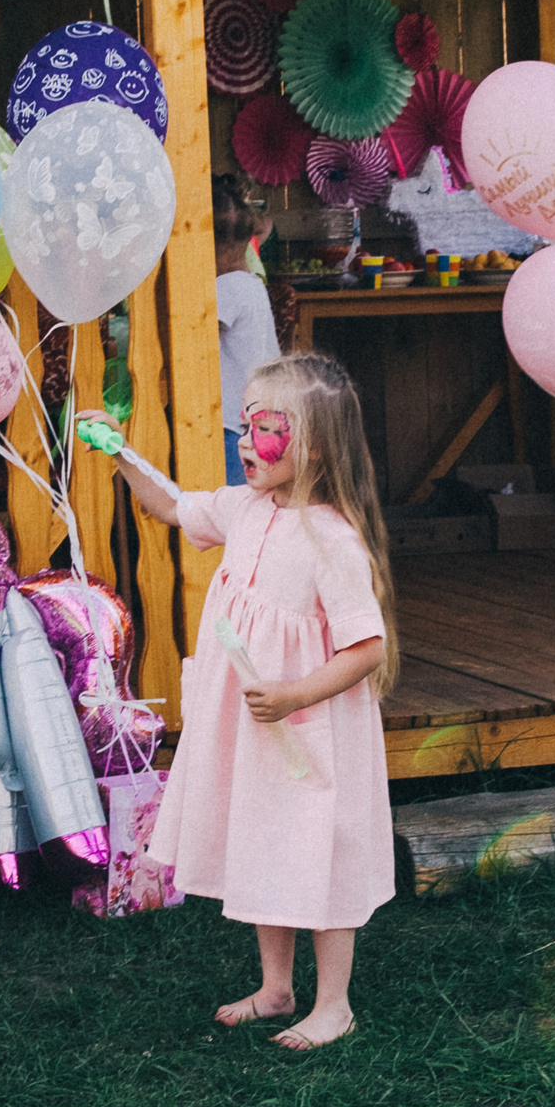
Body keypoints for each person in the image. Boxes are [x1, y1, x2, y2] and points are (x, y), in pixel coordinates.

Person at [90, 351, 397, 1052]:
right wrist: (120, 451)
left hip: (310, 732)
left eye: (265, 426)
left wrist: (293, 693)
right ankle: (277, 987)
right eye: (245, 422)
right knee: (268, 842)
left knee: (322, 853)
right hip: (257, 728)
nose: (244, 440)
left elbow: (366, 648)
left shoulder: (333, 541)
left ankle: (335, 1003)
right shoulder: (245, 509)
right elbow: (170, 503)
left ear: (313, 444)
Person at [213, 178, 279, 482]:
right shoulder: (252, 284)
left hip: (231, 424)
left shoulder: (225, 288)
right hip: (259, 418)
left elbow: (196, 340)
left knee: (233, 502)